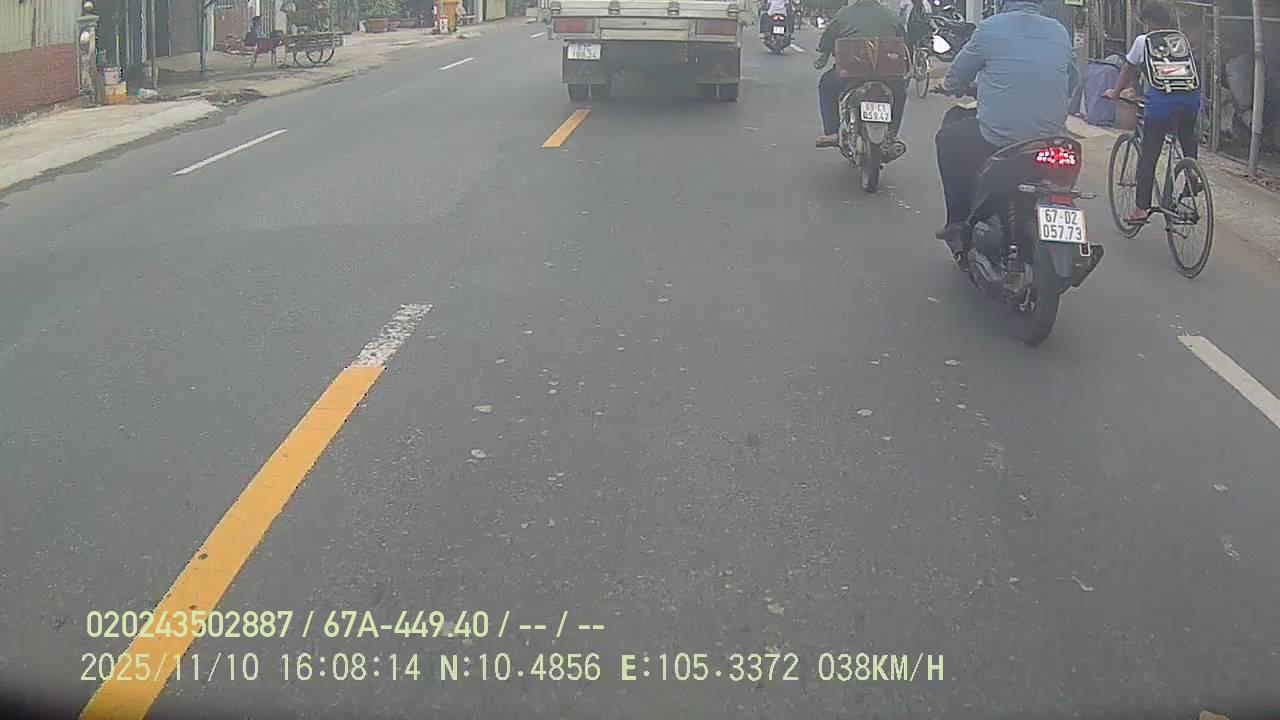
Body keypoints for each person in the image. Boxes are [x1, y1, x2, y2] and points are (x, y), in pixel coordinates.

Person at [933, 0, 1073, 243]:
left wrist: (947, 86)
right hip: (1051, 138)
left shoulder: (990, 27)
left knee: (948, 137)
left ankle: (957, 221)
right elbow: (1073, 79)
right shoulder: (1059, 31)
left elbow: (958, 75)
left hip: (1000, 138)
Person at [1104, 0, 1200, 225]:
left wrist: (1115, 93)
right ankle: (1192, 173)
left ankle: (1141, 209)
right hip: (1191, 99)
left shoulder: (1143, 41)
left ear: (1147, 23)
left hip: (1161, 103)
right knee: (1186, 134)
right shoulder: (1179, 39)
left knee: (1149, 155)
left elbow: (1128, 69)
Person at [813, 0, 909, 147]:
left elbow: (827, 39)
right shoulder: (892, 16)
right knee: (900, 93)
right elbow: (904, 43)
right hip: (887, 74)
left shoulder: (844, 14)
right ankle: (892, 133)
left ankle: (832, 132)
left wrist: (823, 53)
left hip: (851, 73)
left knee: (826, 85)